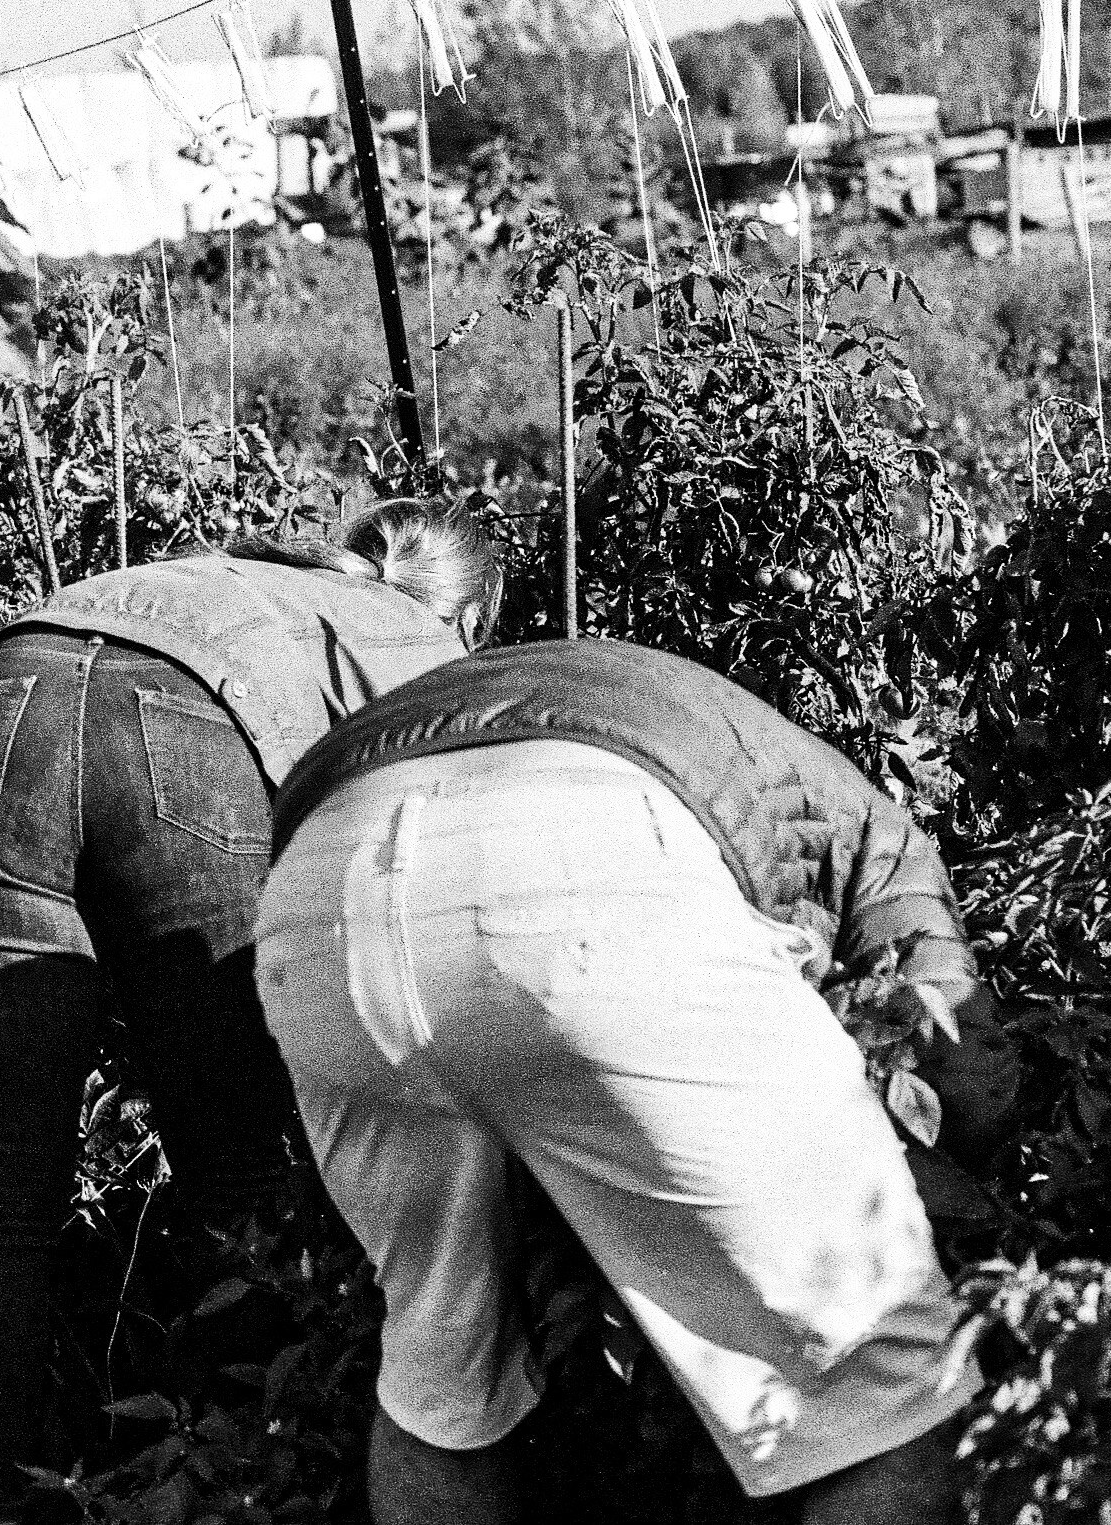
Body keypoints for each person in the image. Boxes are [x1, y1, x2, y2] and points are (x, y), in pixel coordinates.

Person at [255, 638, 1020, 1525]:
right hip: (583, 867)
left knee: (443, 1384)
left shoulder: (677, 715)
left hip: (319, 896)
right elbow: (963, 1060)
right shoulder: (884, 838)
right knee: (893, 1388)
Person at [0, 502, 502, 1525]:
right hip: (180, 728)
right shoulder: (427, 646)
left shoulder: (228, 576)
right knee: (243, 1187)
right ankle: (240, 1487)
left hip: (2, 689)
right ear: (473, 613)